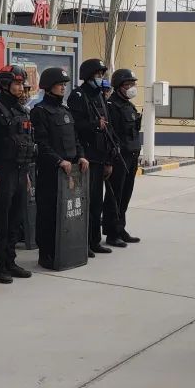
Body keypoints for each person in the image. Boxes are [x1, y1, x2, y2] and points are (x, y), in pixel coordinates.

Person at [31, 67, 89, 267]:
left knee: (68, 212)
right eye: (59, 84)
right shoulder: (39, 111)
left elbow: (75, 138)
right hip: (51, 171)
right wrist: (58, 161)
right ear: (48, 87)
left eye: (64, 84)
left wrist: (81, 156)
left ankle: (65, 249)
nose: (63, 88)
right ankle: (46, 253)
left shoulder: (65, 111)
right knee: (48, 213)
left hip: (70, 172)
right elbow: (41, 143)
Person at [0, 64, 35, 283]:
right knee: (1, 221)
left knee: (16, 219)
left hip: (21, 171)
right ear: (5, 84)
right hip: (2, 173)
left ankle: (11, 261)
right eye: (17, 83)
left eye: (22, 83)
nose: (21, 87)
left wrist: (27, 174)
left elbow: (27, 141)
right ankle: (0, 265)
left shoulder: (22, 110)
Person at [67, 58, 114, 254]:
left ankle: (95, 241)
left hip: (100, 155)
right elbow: (75, 125)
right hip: (87, 156)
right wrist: (95, 124)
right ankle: (83, 243)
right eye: (97, 74)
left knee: (96, 202)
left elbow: (107, 125)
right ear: (87, 75)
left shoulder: (99, 95)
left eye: (102, 74)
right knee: (85, 202)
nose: (100, 77)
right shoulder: (78, 95)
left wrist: (109, 158)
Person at [103, 68, 142, 247]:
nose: (131, 87)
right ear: (118, 86)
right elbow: (110, 135)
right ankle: (112, 233)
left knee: (126, 194)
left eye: (133, 84)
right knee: (114, 196)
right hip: (119, 157)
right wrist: (110, 160)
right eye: (128, 84)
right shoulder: (111, 106)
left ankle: (121, 228)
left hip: (131, 155)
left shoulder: (129, 105)